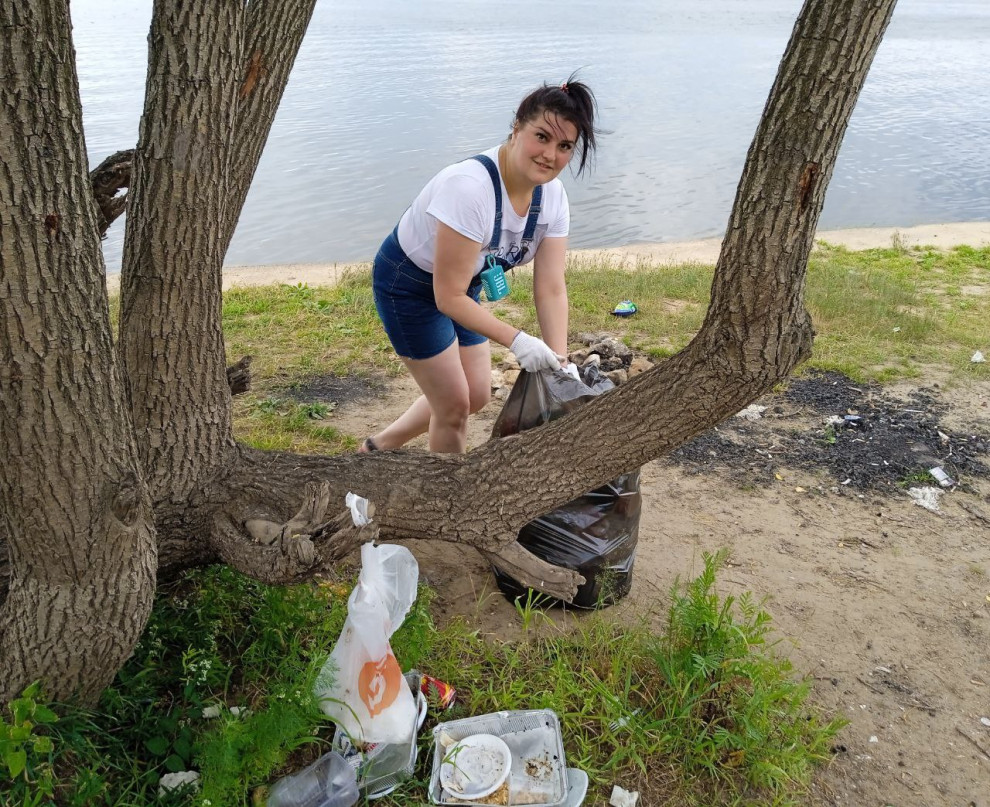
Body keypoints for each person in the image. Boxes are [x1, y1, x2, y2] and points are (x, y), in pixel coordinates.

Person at [362, 75, 600, 454]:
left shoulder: (553, 198)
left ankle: (378, 447)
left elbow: (551, 286)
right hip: (409, 284)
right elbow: (447, 296)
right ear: (517, 127)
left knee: (475, 394)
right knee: (453, 407)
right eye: (541, 136)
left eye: (565, 146)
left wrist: (560, 362)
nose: (550, 155)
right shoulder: (469, 189)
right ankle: (444, 505)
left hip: (462, 285)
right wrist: (518, 339)